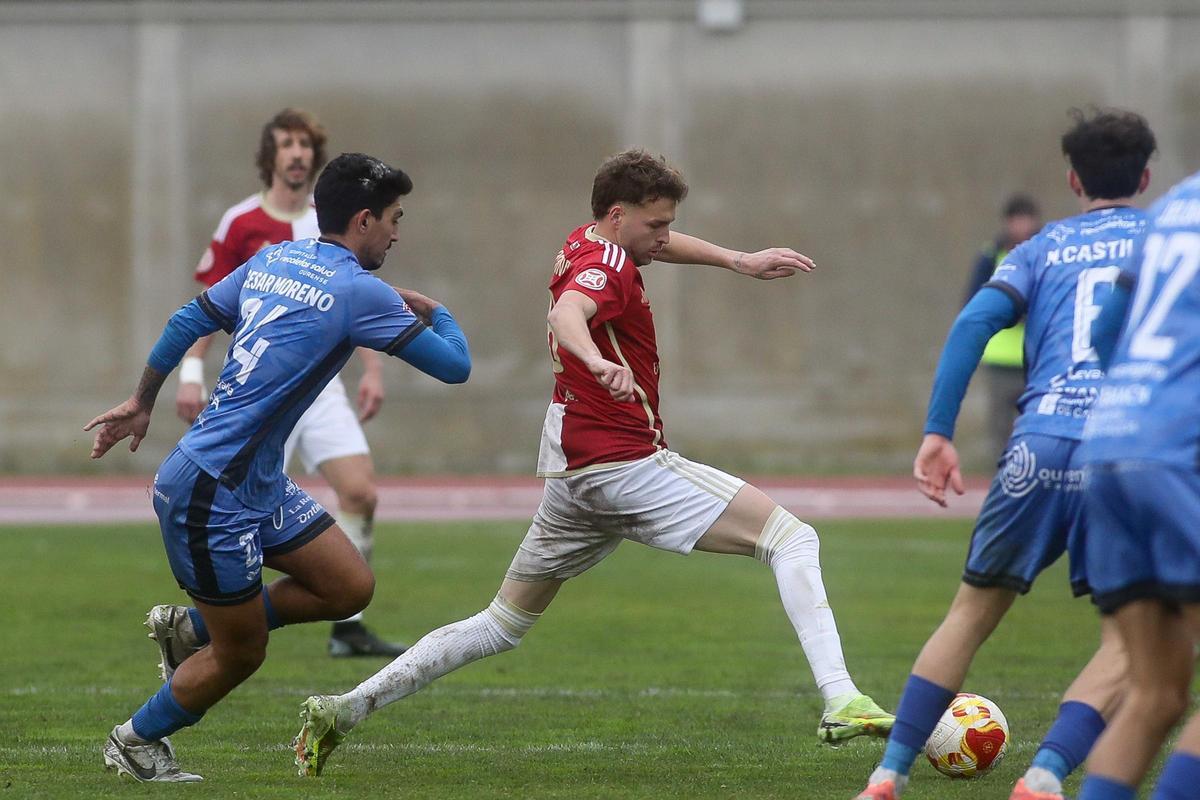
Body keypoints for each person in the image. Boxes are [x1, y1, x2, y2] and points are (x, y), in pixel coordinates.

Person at [289, 148, 894, 779]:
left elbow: (639, 256)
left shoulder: (589, 239)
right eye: (656, 225)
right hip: (623, 465)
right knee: (791, 539)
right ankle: (840, 698)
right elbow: (568, 312)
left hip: (573, 473)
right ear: (618, 215)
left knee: (500, 624)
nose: (664, 238)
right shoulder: (608, 264)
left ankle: (345, 708)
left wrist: (738, 260)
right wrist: (597, 361)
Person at [90, 153, 471, 782]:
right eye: (395, 219)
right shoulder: (360, 291)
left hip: (252, 481)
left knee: (348, 587)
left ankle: (188, 628)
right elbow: (456, 367)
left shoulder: (275, 260)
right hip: (212, 490)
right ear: (365, 220)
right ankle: (134, 741)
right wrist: (437, 310)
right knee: (242, 651)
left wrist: (142, 400)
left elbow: (189, 318)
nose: (397, 234)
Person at [853, 108, 1156, 800]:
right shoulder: (1168, 240)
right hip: (1123, 449)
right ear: (1144, 178)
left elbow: (973, 323)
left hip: (1037, 442)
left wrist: (938, 431)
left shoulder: (1039, 248)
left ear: (1073, 180)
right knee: (1130, 639)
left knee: (969, 613)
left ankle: (888, 773)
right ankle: (1045, 775)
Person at [178, 108, 403, 657]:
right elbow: (208, 305)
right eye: (287, 144)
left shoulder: (336, 223)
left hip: (321, 390)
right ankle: (215, 626)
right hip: (262, 394)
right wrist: (191, 371)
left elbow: (358, 306)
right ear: (270, 156)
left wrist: (373, 370)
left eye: (305, 144)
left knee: (360, 491)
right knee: (244, 508)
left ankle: (348, 628)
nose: (298, 153)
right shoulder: (240, 222)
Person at [1069, 170, 1200, 800]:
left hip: (1109, 442)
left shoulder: (1174, 205)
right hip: (1177, 457)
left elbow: (1105, 329)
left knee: (1156, 696)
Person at [964, 194, 1042, 460]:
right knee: (1000, 430)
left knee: (1034, 427)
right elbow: (975, 301)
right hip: (1000, 358)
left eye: (1026, 219)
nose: (1021, 226)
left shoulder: (1045, 253)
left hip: (1034, 359)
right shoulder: (991, 255)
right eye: (1016, 219)